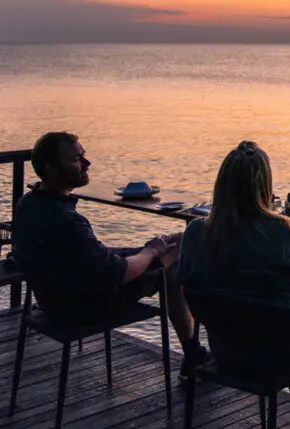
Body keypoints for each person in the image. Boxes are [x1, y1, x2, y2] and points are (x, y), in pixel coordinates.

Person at [175, 140, 290, 429]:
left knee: (277, 304)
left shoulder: (195, 232)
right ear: (264, 186)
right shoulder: (283, 231)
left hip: (227, 352)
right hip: (281, 357)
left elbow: (183, 282)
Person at [10, 131, 203, 375]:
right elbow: (119, 273)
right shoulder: (68, 222)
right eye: (76, 159)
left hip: (54, 301)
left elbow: (85, 255)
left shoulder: (29, 204)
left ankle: (192, 353)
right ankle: (193, 354)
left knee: (173, 246)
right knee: (181, 246)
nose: (86, 163)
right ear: (51, 168)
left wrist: (141, 252)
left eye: (83, 156)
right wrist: (151, 251)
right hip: (86, 307)